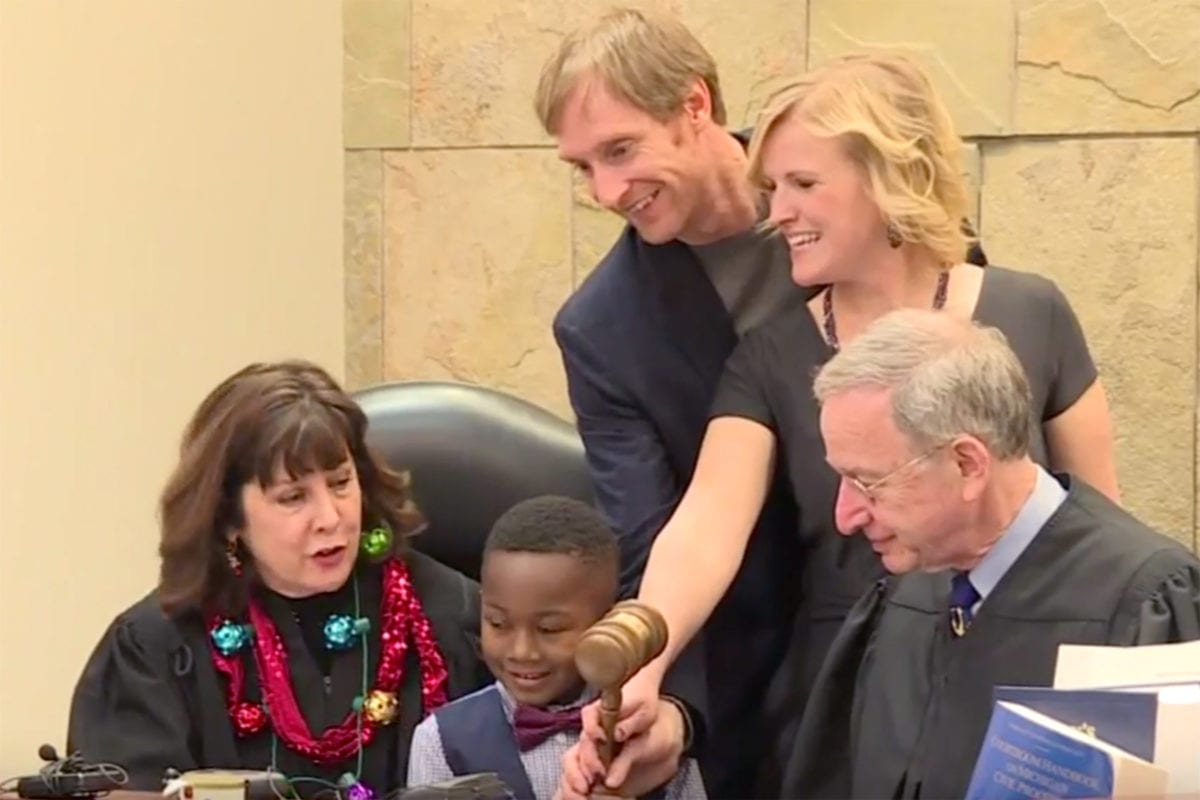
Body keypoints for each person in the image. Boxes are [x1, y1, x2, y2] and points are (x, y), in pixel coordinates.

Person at [556, 50, 1122, 800]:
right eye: (773, 188)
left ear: (886, 175)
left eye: (803, 185)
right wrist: (643, 671)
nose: (778, 211)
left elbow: (1104, 531)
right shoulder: (769, 356)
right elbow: (702, 529)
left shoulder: (1033, 312)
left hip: (1032, 690)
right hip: (857, 707)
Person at [781, 307, 1200, 799]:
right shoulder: (907, 595)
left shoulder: (1143, 603)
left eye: (868, 483)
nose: (845, 516)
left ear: (967, 463)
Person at [67, 360, 492, 796]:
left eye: (341, 482)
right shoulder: (154, 650)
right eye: (293, 497)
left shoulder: (450, 615)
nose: (330, 518)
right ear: (229, 516)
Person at [406, 495, 706, 800]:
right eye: (498, 623)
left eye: (549, 629)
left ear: (608, 621)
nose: (521, 651)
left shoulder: (650, 736)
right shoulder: (441, 741)